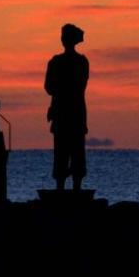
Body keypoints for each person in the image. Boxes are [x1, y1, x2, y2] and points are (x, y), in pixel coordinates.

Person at [45, 23, 89, 191]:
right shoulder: (81, 62)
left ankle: (63, 189)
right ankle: (72, 189)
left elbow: (49, 87)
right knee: (73, 153)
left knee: (64, 154)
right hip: (73, 113)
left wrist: (61, 88)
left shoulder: (56, 62)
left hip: (66, 113)